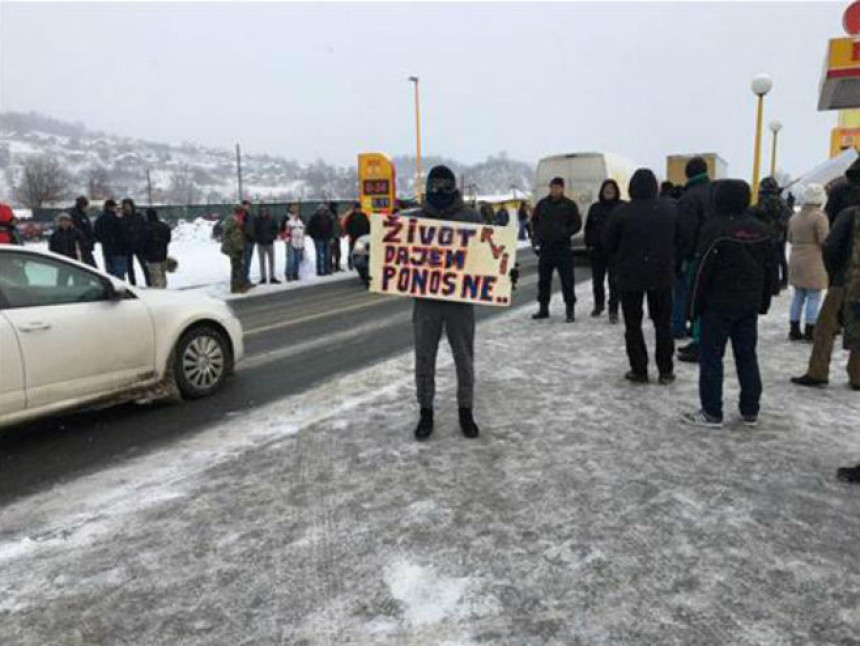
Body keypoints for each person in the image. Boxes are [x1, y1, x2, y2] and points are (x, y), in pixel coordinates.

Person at [682, 180, 775, 428]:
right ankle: (750, 410)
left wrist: (692, 309)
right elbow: (770, 272)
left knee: (712, 357)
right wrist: (763, 302)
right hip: (748, 305)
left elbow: (701, 272)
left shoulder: (714, 229)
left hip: (718, 305)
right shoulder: (762, 230)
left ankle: (712, 411)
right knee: (747, 356)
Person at [412, 164, 482, 441]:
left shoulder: (472, 219)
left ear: (454, 187)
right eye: (435, 185)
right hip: (427, 300)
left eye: (444, 184)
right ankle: (425, 410)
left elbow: (488, 255)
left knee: (464, 359)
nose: (439, 189)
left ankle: (466, 410)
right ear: (428, 187)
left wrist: (502, 272)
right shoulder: (415, 221)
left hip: (460, 301)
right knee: (424, 358)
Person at [604, 168, 682, 384]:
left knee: (633, 325)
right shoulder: (670, 210)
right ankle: (665, 370)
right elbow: (681, 240)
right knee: (663, 324)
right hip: (662, 274)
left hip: (630, 276)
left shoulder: (621, 212)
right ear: (655, 187)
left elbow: (609, 243)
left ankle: (639, 369)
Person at [792, 164, 860, 390]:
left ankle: (818, 371)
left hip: (845, 278)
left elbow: (831, 247)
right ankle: (858, 375)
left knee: (825, 326)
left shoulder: (848, 211)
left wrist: (834, 273)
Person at [676, 157, 715, 356]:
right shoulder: (715, 192)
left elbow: (686, 231)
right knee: (709, 297)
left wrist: (683, 256)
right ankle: (704, 336)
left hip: (697, 254)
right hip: (716, 251)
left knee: (696, 295)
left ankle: (700, 341)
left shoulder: (689, 197)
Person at [531, 177, 582, 322]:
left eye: (558, 187)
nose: (555, 190)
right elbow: (534, 221)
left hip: (563, 248)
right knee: (543, 280)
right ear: (550, 188)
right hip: (546, 248)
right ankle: (543, 308)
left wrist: (565, 232)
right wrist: (536, 236)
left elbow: (577, 224)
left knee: (567, 280)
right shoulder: (542, 204)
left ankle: (570, 310)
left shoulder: (569, 205)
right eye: (553, 187)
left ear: (562, 189)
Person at [787, 184, 829, 341]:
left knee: (798, 295)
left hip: (796, 257)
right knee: (814, 295)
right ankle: (810, 330)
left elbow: (789, 238)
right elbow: (824, 240)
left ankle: (794, 329)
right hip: (813, 260)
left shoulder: (794, 217)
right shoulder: (819, 217)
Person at [585, 179, 623, 322]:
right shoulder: (595, 207)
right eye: (606, 188)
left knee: (614, 282)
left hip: (615, 251)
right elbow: (588, 228)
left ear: (616, 191)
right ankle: (598, 304)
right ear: (602, 191)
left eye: (612, 188)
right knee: (597, 281)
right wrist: (589, 245)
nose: (609, 191)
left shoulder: (621, 207)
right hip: (597, 250)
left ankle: (613, 310)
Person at [751, 176, 792, 292]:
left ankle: (771, 284)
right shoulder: (780, 201)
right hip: (779, 235)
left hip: (765, 234)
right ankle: (782, 282)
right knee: (780, 259)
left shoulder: (764, 199)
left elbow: (757, 211)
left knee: (768, 261)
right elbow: (788, 216)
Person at [94, 199, 130, 279]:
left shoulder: (100, 219)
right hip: (119, 249)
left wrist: (104, 240)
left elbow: (96, 234)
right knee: (119, 273)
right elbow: (123, 233)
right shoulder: (116, 219)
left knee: (110, 273)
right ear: (112, 207)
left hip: (107, 249)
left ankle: (112, 289)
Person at [221, 206, 253, 294]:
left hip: (238, 246)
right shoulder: (232, 219)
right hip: (233, 247)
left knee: (238, 267)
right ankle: (235, 287)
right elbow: (226, 231)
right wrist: (236, 224)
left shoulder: (238, 219)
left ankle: (239, 286)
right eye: (242, 212)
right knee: (236, 267)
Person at [121, 198, 151, 287]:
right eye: (125, 206)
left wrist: (144, 241)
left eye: (128, 206)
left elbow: (144, 229)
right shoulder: (122, 219)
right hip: (127, 246)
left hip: (139, 245)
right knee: (130, 268)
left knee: (145, 266)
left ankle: (149, 283)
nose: (127, 208)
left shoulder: (138, 217)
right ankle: (133, 285)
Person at [142, 208, 172, 289]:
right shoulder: (164, 226)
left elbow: (143, 242)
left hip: (151, 256)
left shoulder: (146, 227)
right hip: (162, 255)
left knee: (155, 278)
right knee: (162, 275)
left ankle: (159, 294)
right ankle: (164, 289)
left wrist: (144, 253)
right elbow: (168, 239)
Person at [254, 206, 279, 284]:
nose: (264, 213)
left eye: (265, 211)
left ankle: (272, 277)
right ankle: (263, 277)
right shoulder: (257, 220)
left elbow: (276, 229)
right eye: (262, 211)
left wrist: (273, 236)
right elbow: (254, 230)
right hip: (260, 243)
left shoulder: (271, 219)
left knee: (272, 260)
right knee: (262, 261)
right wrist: (257, 238)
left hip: (270, 243)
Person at [69, 196, 97, 267]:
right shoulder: (76, 215)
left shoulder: (83, 215)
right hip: (82, 246)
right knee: (89, 267)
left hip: (86, 245)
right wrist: (86, 241)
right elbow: (80, 230)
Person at [342, 202, 370, 271]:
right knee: (352, 251)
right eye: (357, 208)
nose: (358, 210)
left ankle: (359, 265)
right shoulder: (350, 217)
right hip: (353, 237)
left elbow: (368, 226)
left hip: (362, 237)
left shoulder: (364, 216)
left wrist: (367, 234)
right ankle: (351, 264)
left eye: (359, 208)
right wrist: (348, 234)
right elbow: (347, 226)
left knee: (360, 251)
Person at [307, 204, 333, 276]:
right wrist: (314, 236)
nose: (323, 212)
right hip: (318, 238)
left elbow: (331, 228)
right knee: (319, 254)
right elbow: (309, 228)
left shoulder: (328, 218)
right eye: (321, 210)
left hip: (326, 238)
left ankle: (327, 269)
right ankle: (319, 270)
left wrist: (331, 237)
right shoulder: (314, 218)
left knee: (327, 254)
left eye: (324, 210)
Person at [282, 204, 305, 281]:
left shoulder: (300, 220)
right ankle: (289, 273)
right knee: (291, 259)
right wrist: (287, 238)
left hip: (299, 242)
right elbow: (283, 230)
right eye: (293, 208)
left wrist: (302, 243)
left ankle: (296, 273)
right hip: (290, 241)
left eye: (297, 208)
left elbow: (303, 231)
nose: (295, 210)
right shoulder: (287, 219)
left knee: (297, 259)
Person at [241, 200, 256, 285]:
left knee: (249, 261)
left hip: (251, 241)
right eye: (245, 205)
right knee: (245, 261)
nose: (247, 207)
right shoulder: (242, 215)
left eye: (248, 206)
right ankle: (244, 279)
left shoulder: (251, 215)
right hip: (245, 241)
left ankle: (246, 278)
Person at [328, 201, 343, 273]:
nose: (336, 208)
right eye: (335, 206)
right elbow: (329, 227)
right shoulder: (330, 215)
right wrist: (330, 236)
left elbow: (338, 225)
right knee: (330, 253)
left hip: (337, 236)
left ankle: (337, 266)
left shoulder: (336, 215)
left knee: (338, 253)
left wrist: (341, 232)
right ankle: (330, 267)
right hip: (331, 236)